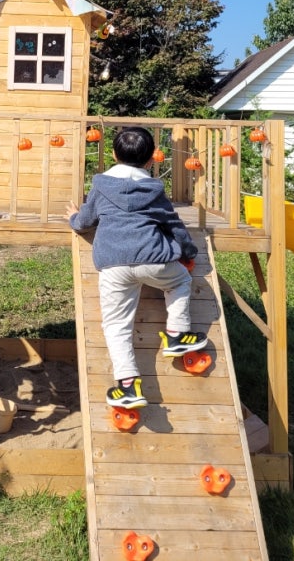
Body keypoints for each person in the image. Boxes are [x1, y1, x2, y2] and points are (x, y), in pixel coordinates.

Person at [67, 125, 207, 409]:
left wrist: (73, 217)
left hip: (113, 264)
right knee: (180, 281)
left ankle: (128, 385)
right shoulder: (154, 190)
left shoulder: (101, 186)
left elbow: (85, 222)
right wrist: (189, 252)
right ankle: (177, 334)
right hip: (154, 259)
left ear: (114, 155)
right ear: (151, 159)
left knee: (116, 325)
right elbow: (174, 226)